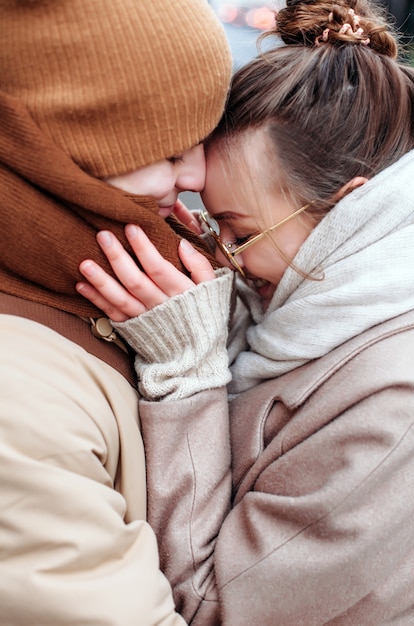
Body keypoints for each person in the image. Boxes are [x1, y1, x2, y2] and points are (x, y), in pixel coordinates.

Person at [75, 0, 414, 623]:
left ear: (349, 214)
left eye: (238, 230)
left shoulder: (396, 401)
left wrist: (189, 374)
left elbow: (212, 608)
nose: (223, 257)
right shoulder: (316, 316)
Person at [0, 0, 232, 623]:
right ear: (51, 154)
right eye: (167, 152)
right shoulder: (16, 397)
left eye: (202, 141)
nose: (198, 175)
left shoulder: (83, 278)